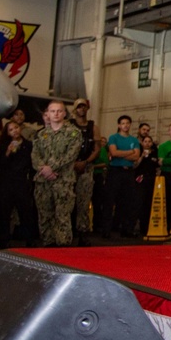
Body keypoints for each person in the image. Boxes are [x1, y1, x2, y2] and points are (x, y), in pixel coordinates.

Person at [31, 100, 83, 247]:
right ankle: (48, 246)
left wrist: (51, 168)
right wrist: (44, 169)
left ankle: (63, 247)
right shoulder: (41, 135)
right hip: (43, 181)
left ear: (64, 113)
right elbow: (35, 156)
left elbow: (70, 155)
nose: (56, 114)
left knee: (62, 216)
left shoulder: (73, 133)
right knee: (45, 216)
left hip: (63, 181)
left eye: (59, 111)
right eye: (52, 111)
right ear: (48, 113)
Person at [0, 120, 37, 248]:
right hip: (5, 182)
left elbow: (31, 164)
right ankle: (3, 240)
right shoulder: (4, 145)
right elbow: (0, 163)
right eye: (11, 129)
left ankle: (29, 239)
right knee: (3, 212)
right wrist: (8, 151)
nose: (15, 131)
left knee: (26, 211)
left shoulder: (28, 145)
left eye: (16, 128)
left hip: (21, 181)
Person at [70, 98, 101, 246]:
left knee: (83, 201)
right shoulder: (68, 126)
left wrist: (86, 162)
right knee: (67, 202)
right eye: (79, 107)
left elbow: (97, 148)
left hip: (86, 167)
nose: (82, 110)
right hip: (69, 168)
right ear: (74, 110)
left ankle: (83, 232)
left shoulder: (93, 127)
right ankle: (67, 232)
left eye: (84, 107)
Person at [104, 115, 141, 238]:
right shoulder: (113, 137)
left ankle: (126, 229)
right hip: (115, 171)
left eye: (127, 123)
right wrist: (130, 152)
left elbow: (136, 157)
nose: (125, 125)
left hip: (128, 172)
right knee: (110, 200)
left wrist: (121, 154)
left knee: (128, 201)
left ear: (130, 125)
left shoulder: (134, 140)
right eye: (123, 123)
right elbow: (113, 152)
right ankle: (106, 230)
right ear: (119, 125)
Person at [134, 134, 160, 233]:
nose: (148, 143)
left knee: (149, 203)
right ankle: (139, 224)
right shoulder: (139, 152)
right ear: (142, 143)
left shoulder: (155, 153)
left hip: (152, 179)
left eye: (149, 141)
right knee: (140, 202)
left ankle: (147, 226)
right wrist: (142, 156)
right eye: (146, 141)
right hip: (140, 179)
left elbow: (157, 167)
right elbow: (135, 165)